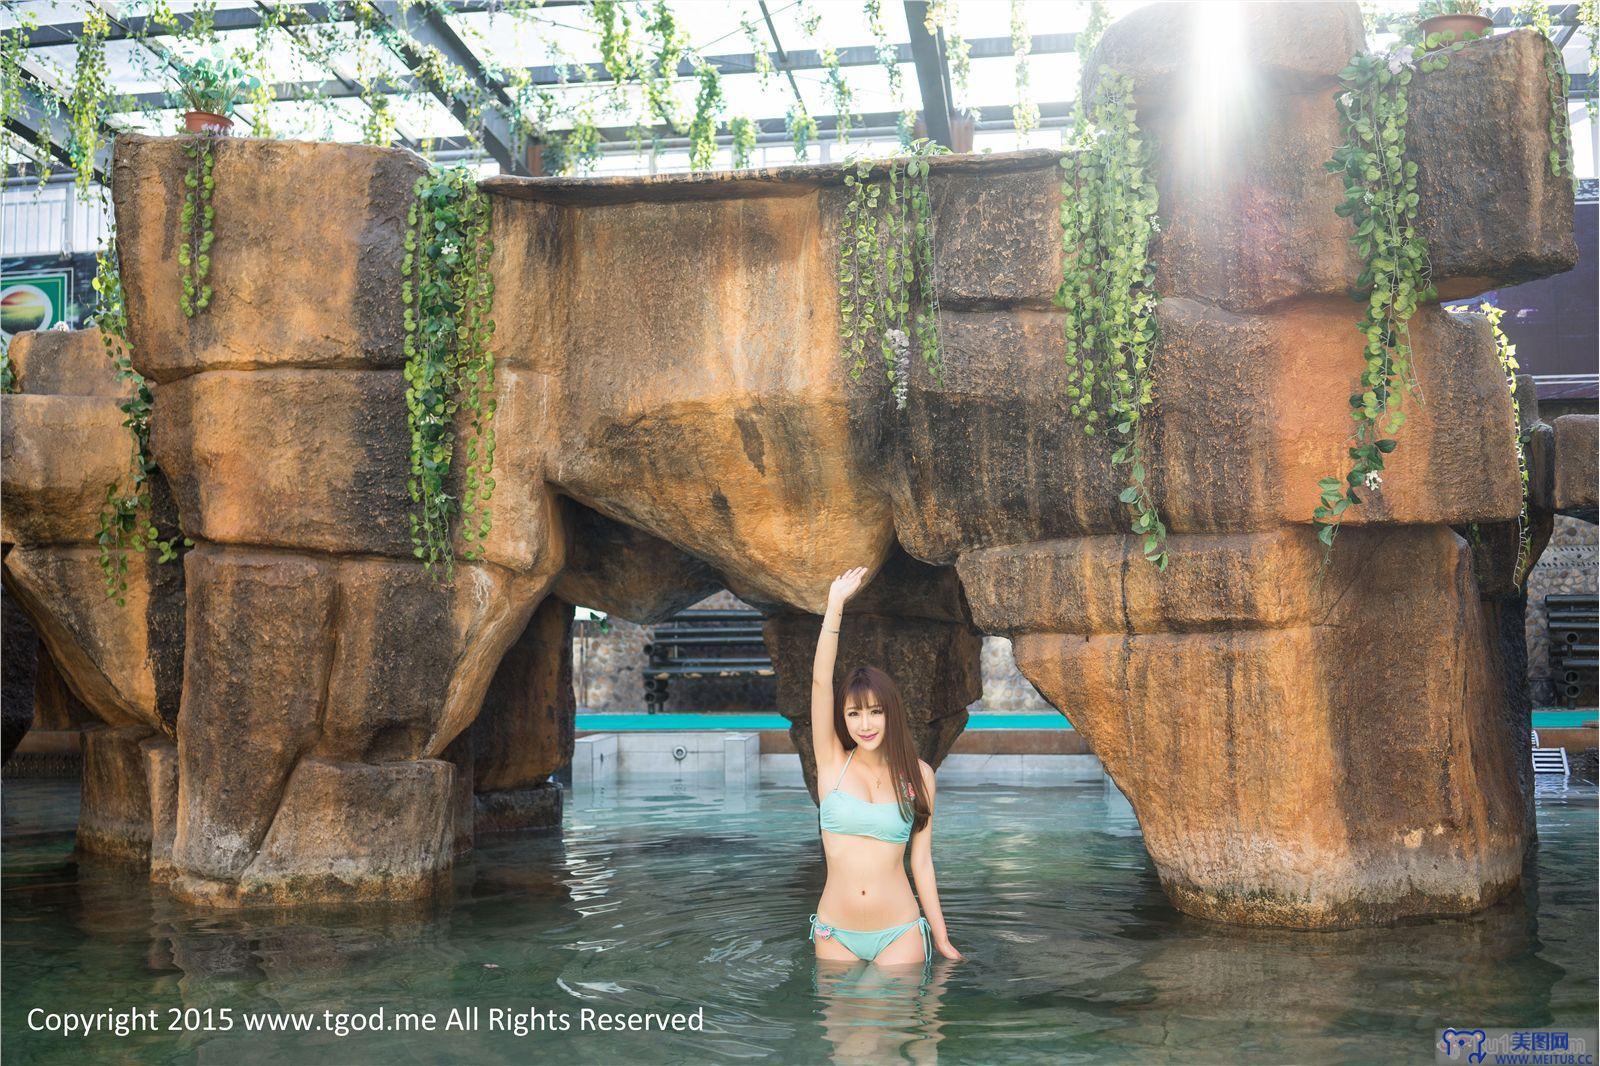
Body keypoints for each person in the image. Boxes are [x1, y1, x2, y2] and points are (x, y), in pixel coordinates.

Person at [808, 566, 962, 965]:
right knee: (842, 1029)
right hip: (835, 933)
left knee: (893, 1026)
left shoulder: (920, 776)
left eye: (875, 712)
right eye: (854, 714)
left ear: (890, 712)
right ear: (843, 718)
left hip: (900, 932)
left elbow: (922, 862)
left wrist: (941, 938)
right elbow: (822, 683)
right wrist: (835, 605)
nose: (865, 724)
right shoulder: (831, 764)